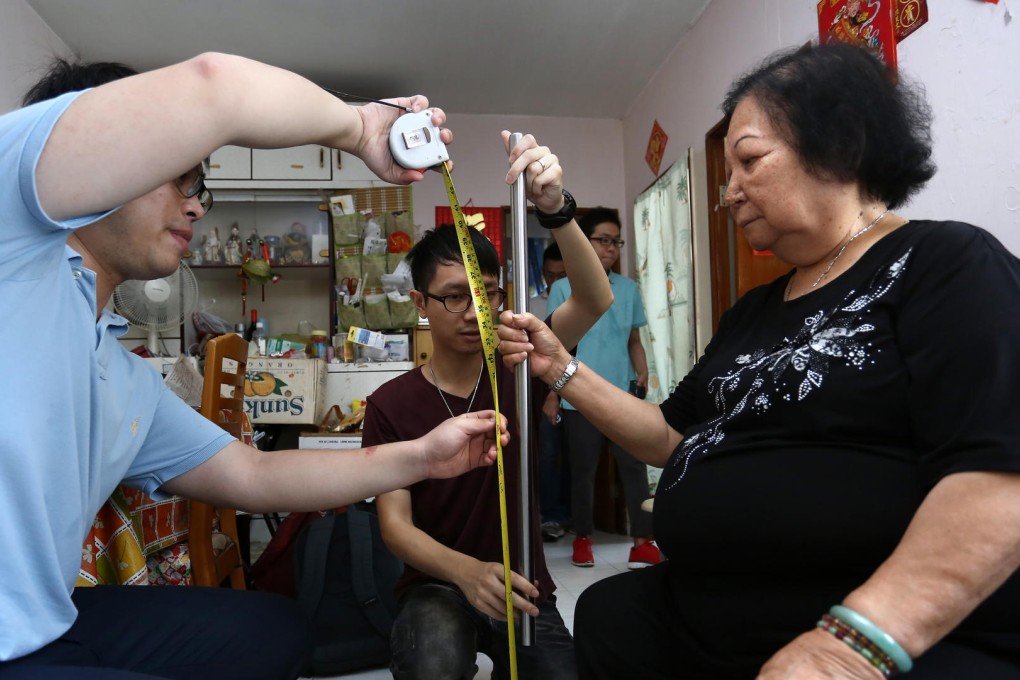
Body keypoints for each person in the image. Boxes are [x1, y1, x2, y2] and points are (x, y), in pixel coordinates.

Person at [497, 42, 1020, 679]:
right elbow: (667, 435)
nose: (729, 192)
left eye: (748, 161)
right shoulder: (755, 309)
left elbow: (999, 476)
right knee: (612, 610)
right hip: (712, 612)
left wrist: (848, 648)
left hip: (865, 629)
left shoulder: (946, 264)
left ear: (842, 145)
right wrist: (559, 369)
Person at [0, 55, 510, 679]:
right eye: (180, 178)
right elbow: (216, 84)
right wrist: (360, 129)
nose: (196, 207)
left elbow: (255, 475)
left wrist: (423, 457)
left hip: (40, 625)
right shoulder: (13, 230)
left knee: (274, 633)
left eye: (200, 186)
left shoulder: (118, 374)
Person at [365, 133, 612, 679]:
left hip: (522, 582)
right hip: (437, 584)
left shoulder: (519, 361)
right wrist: (467, 572)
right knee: (432, 661)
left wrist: (557, 209)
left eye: (488, 293)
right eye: (454, 295)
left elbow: (595, 300)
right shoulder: (390, 404)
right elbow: (395, 527)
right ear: (420, 303)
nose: (473, 310)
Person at [546, 208, 658, 569]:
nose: (611, 248)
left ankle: (643, 541)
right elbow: (553, 345)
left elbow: (634, 340)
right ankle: (582, 538)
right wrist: (552, 393)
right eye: (603, 240)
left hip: (623, 396)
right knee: (583, 472)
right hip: (578, 397)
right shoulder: (563, 288)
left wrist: (642, 371)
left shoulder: (628, 290)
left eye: (616, 241)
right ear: (585, 241)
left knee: (634, 468)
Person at [531, 243, 572, 541]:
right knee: (546, 454)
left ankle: (573, 515)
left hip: (580, 388)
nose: (554, 281)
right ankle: (551, 516)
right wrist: (549, 395)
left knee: (576, 458)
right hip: (547, 392)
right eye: (549, 274)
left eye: (562, 274)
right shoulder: (532, 305)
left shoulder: (578, 305)